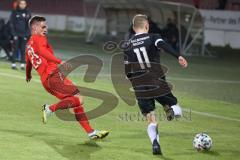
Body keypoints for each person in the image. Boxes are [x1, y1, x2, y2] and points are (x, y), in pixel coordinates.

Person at [25, 15, 109, 140]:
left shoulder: (28, 46)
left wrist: (28, 75)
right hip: (54, 76)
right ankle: (49, 109)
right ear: (34, 27)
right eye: (43, 26)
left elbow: (28, 63)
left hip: (47, 81)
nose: (45, 28)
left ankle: (91, 132)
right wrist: (59, 61)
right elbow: (43, 52)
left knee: (76, 102)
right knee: (79, 99)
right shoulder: (39, 38)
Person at [124, 14, 188, 155]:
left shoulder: (127, 44)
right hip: (156, 79)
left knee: (151, 118)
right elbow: (164, 45)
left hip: (139, 84)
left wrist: (134, 82)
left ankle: (155, 143)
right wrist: (179, 56)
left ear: (134, 28)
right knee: (176, 107)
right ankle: (170, 109)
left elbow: (127, 70)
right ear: (147, 26)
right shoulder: (153, 37)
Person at [9, 0, 31, 70]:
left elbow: (29, 24)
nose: (22, 5)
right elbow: (11, 23)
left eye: (24, 4)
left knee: (23, 49)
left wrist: (27, 35)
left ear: (26, 4)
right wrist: (14, 34)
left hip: (24, 34)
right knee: (15, 49)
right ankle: (13, 64)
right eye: (21, 3)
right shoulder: (14, 12)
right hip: (16, 34)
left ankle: (22, 65)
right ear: (19, 4)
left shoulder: (28, 12)